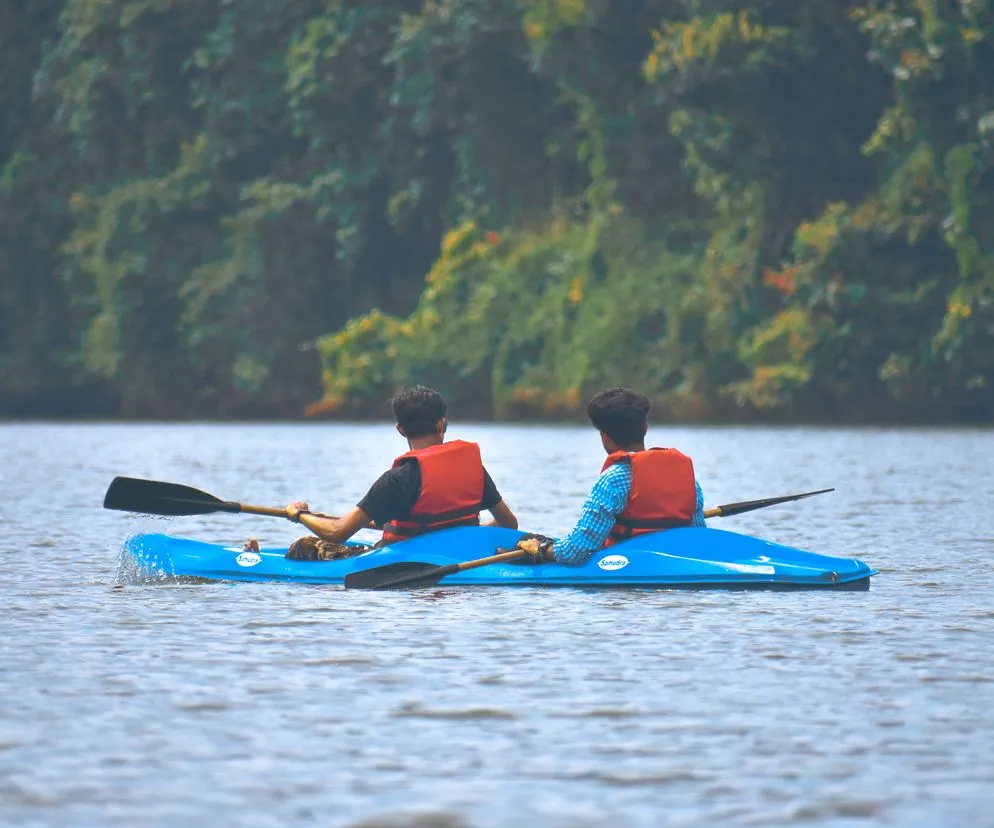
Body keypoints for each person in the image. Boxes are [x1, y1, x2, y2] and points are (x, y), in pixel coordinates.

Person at [246, 385, 518, 560]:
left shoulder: (398, 479)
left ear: (400, 429)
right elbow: (508, 524)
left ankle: (253, 560)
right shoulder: (473, 469)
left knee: (303, 546)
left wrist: (300, 514)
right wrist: (464, 532)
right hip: (465, 556)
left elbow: (338, 532)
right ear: (441, 424)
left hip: (403, 560)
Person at [516, 386, 705, 565]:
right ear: (645, 429)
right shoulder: (688, 481)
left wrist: (540, 549)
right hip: (678, 562)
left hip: (628, 566)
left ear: (605, 437)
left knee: (527, 540)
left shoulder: (613, 480)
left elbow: (575, 552)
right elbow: (698, 535)